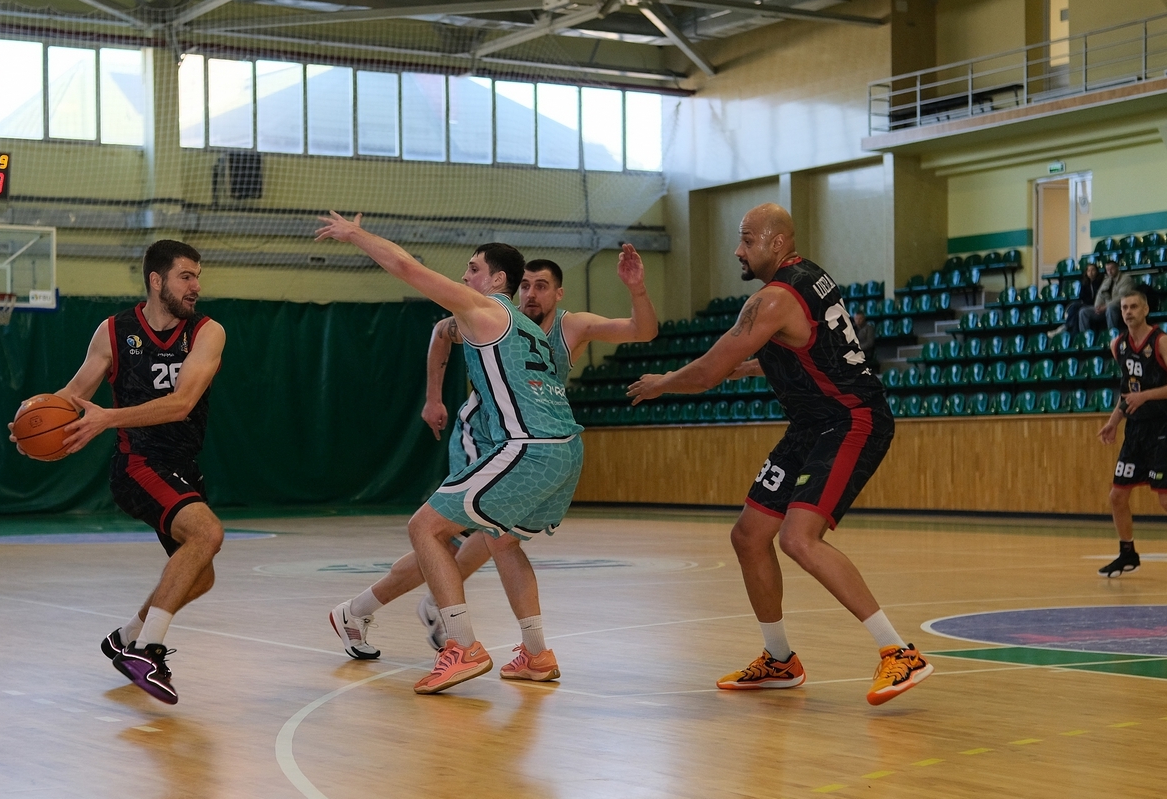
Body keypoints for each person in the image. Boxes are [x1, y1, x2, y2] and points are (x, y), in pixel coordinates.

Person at [626, 203, 932, 706]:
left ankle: (899, 652)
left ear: (775, 243)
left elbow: (706, 372)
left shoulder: (773, 298)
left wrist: (663, 383)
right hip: (813, 423)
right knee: (749, 536)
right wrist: (737, 369)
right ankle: (779, 659)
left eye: (746, 239)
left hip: (851, 419)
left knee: (798, 539)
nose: (737, 249)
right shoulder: (807, 279)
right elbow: (793, 354)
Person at [331, 251, 658, 663]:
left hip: (529, 443)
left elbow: (643, 331)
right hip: (484, 435)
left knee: (484, 541)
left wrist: (637, 288)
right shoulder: (490, 315)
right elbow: (438, 332)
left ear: (559, 293)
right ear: (511, 284)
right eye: (526, 285)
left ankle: (375, 609)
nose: (531, 294)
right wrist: (433, 397)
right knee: (450, 538)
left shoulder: (570, 326)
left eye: (541, 286)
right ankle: (428, 614)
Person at [316, 213, 586, 695]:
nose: (465, 276)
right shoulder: (527, 324)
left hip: (528, 447)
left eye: (473, 267)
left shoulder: (484, 308)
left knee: (425, 527)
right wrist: (435, 394)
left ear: (497, 279)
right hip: (568, 448)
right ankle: (537, 653)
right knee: (503, 541)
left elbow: (406, 267)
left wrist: (356, 235)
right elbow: (444, 339)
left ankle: (461, 645)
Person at [14, 241, 226, 705]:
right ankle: (147, 651)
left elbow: (182, 403)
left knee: (201, 576)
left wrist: (106, 418)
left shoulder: (208, 332)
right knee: (207, 534)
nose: (195, 286)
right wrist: (32, 421)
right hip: (138, 465)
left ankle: (126, 638)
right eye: (185, 276)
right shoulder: (113, 332)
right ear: (157, 280)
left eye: (197, 277)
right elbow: (73, 394)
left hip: (182, 465)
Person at [1096, 287, 1167, 577]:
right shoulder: (1119, 345)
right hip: (1136, 429)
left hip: (1165, 427)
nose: (1128, 312)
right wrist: (1114, 421)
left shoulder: (1162, 341)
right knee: (1117, 495)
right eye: (1124, 307)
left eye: (1133, 307)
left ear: (1145, 310)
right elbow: (1129, 391)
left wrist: (1147, 396)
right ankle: (1127, 554)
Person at [1079, 260, 1131, 332]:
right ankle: (1085, 337)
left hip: (1119, 307)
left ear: (1117, 268)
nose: (1109, 271)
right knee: (1083, 311)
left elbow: (1122, 297)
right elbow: (1100, 294)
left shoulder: (1125, 279)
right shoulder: (1107, 280)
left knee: (1110, 308)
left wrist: (1106, 306)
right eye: (1107, 270)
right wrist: (1097, 307)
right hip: (1105, 308)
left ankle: (1112, 334)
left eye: (1112, 269)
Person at [1063, 262, 1103, 336]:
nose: (1091, 272)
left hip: (1096, 305)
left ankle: (1066, 326)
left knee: (1076, 307)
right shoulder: (1085, 283)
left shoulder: (1101, 282)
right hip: (1087, 305)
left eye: (1093, 270)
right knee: (1076, 311)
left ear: (1097, 271)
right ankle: (1074, 332)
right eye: (1089, 270)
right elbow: (1082, 297)